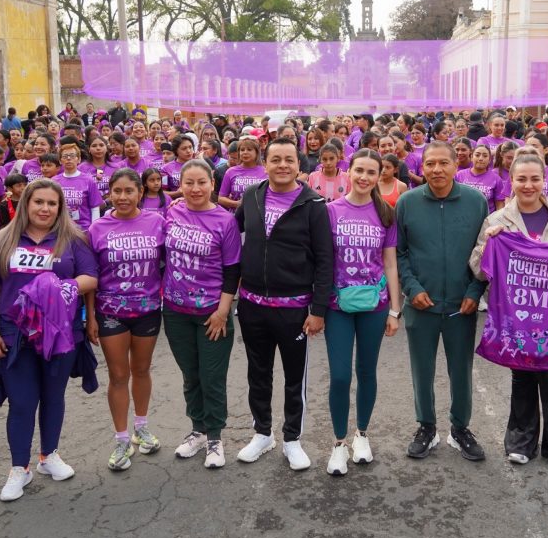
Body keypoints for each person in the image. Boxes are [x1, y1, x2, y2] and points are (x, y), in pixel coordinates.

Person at [0, 179, 98, 502]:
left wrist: (62, 287)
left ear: (60, 208)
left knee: (53, 396)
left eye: (52, 203)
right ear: (26, 204)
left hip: (60, 333)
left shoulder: (73, 239)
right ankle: (19, 468)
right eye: (38, 202)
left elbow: (91, 277)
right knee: (22, 401)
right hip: (14, 335)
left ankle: (49, 456)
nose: (45, 209)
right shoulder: (2, 240)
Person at [468, 154, 548, 472]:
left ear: (544, 182)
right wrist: (487, 248)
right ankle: (521, 442)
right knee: (521, 375)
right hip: (515, 317)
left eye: (535, 179)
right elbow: (478, 270)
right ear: (511, 181)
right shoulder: (497, 221)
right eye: (521, 179)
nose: (529, 185)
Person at [234, 137, 333, 471]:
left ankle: (292, 438)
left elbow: (324, 260)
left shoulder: (314, 204)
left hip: (294, 310)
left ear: (299, 165)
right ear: (266, 164)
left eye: (289, 160)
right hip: (251, 306)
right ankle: (262, 433)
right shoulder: (251, 196)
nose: (282, 166)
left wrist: (318, 310)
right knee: (258, 373)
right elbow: (230, 234)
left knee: (294, 378)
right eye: (275, 159)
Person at [396, 141, 488, 461]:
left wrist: (475, 293)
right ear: (422, 167)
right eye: (430, 164)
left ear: (455, 165)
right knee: (422, 369)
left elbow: (483, 253)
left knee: (460, 370)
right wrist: (411, 287)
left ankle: (460, 428)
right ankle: (427, 427)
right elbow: (400, 252)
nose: (436, 170)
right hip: (420, 304)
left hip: (461, 305)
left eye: (443, 163)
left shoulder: (476, 202)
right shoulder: (407, 203)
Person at [323, 149, 402, 476]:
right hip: (337, 306)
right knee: (341, 376)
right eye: (360, 171)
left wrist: (395, 310)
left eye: (372, 172)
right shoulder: (330, 211)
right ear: (348, 171)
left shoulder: (386, 213)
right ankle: (340, 442)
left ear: (379, 174)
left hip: (374, 305)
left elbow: (390, 263)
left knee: (367, 371)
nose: (365, 177)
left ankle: (362, 435)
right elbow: (322, 261)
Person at [164, 160, 241, 469]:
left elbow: (233, 269)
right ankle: (197, 430)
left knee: (212, 377)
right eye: (189, 183)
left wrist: (223, 311)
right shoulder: (172, 212)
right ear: (181, 185)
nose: (195, 189)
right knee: (191, 375)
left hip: (212, 312)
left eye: (201, 183)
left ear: (212, 183)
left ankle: (215, 438)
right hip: (174, 311)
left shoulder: (225, 220)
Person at [87, 169, 164, 471]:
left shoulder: (157, 222)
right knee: (119, 376)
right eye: (116, 191)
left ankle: (141, 427)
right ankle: (121, 439)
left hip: (147, 310)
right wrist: (90, 316)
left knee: (142, 370)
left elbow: (169, 263)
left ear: (140, 193)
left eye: (128, 191)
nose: (121, 197)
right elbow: (91, 277)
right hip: (110, 312)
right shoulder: (97, 228)